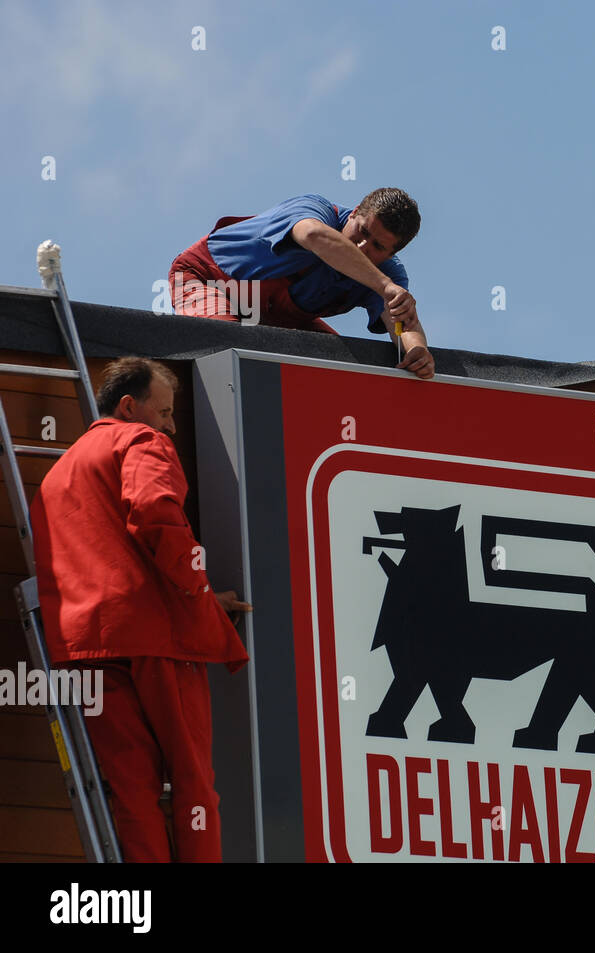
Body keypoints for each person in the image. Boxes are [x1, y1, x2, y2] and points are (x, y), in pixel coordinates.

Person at [30, 357, 252, 862]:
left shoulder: (57, 476)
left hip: (85, 649)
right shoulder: (141, 441)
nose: (171, 425)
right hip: (155, 643)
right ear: (130, 406)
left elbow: (106, 553)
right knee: (194, 786)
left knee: (131, 790)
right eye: (166, 411)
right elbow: (155, 515)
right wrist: (199, 601)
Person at [168, 187, 435, 379]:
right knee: (233, 349)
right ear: (354, 213)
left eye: (378, 246)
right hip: (206, 278)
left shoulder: (389, 275)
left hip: (276, 316)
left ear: (391, 254)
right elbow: (314, 235)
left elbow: (400, 320)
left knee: (344, 373)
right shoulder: (314, 209)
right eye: (363, 231)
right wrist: (384, 285)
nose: (363, 246)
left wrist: (416, 351)